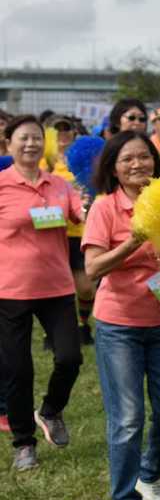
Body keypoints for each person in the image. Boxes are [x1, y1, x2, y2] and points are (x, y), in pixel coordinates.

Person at [83, 131, 160, 500]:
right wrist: (134, 241)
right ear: (113, 167)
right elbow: (93, 269)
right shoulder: (105, 209)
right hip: (119, 325)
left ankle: (150, 475)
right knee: (127, 420)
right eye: (128, 160)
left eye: (144, 158)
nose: (138, 165)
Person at [0, 115, 85, 471]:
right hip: (10, 290)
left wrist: (89, 205)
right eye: (24, 138)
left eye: (37, 138)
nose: (31, 144)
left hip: (57, 286)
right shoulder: (2, 185)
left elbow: (79, 216)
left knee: (70, 357)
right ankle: (24, 443)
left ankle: (50, 410)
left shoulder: (60, 185)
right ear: (9, 144)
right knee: (17, 370)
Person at [41, 114, 98, 346]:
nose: (62, 134)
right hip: (54, 231)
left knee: (85, 288)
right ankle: (49, 332)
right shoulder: (45, 161)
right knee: (51, 286)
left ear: (74, 133)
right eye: (57, 130)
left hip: (80, 232)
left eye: (67, 130)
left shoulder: (83, 159)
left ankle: (83, 324)